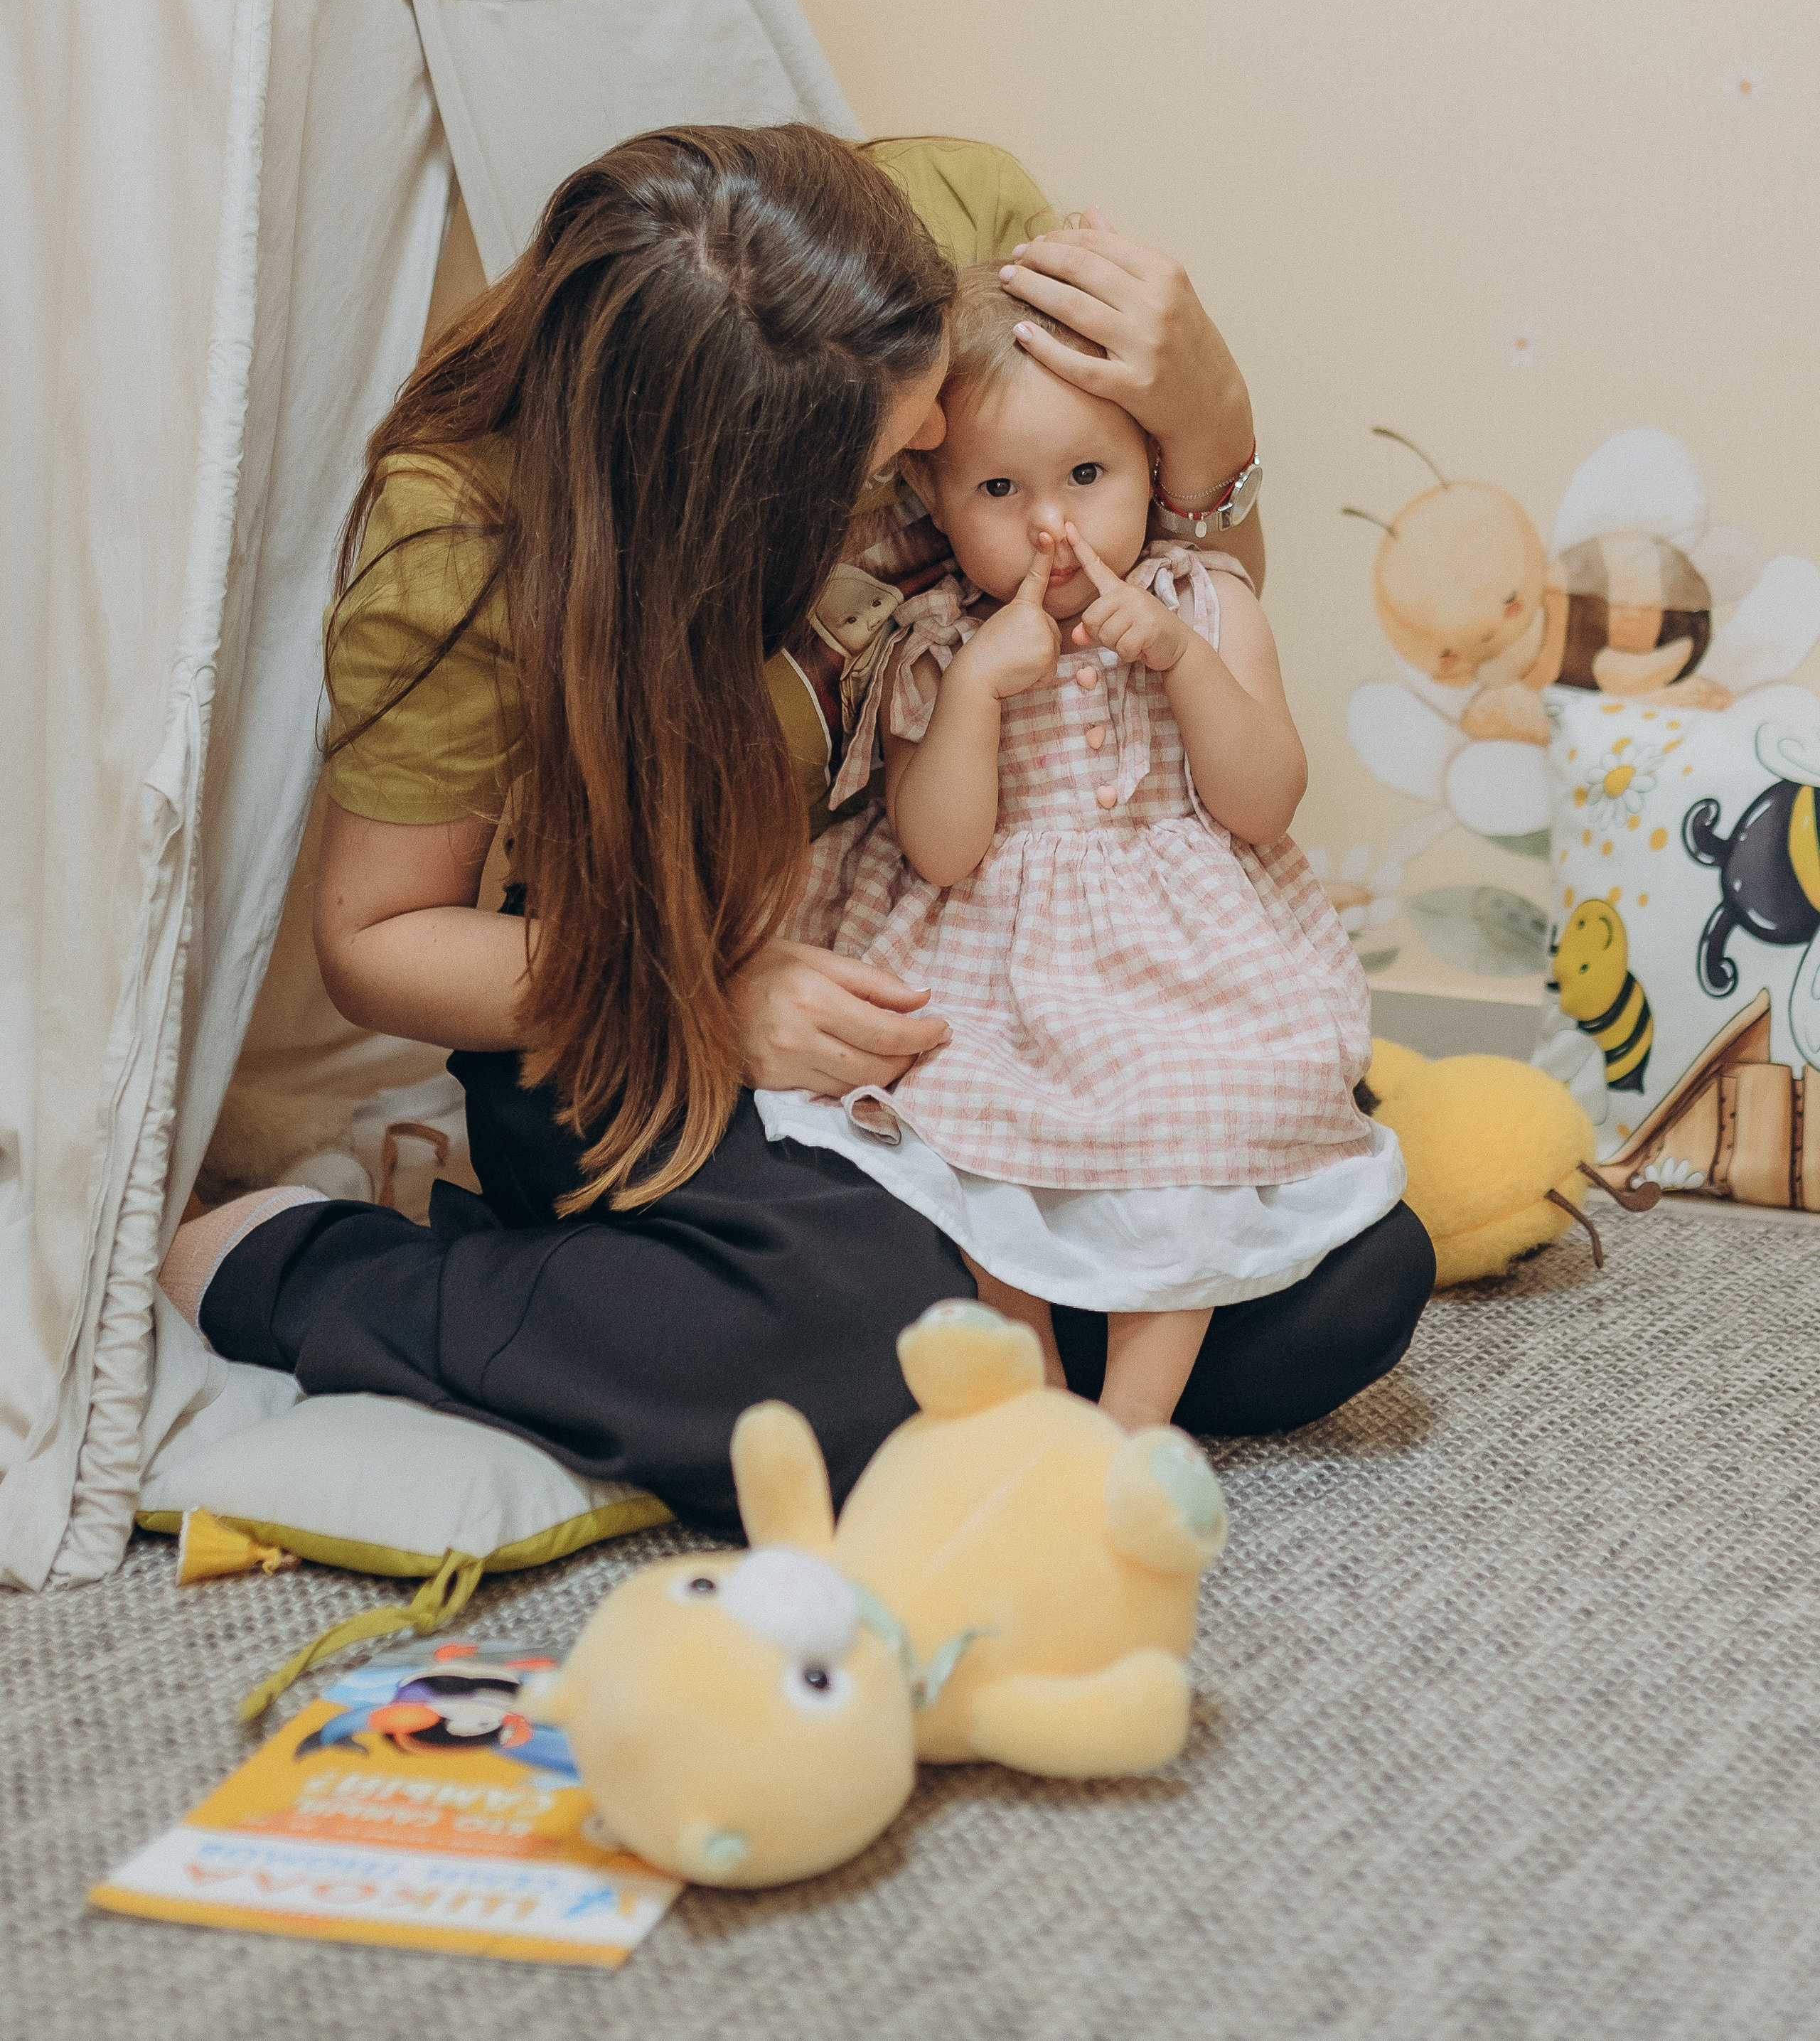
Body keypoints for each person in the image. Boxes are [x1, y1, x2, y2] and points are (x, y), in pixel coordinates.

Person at [159, 128, 1432, 1528]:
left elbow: (1177, 600)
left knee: (1342, 1279)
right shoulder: (462, 544)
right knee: (866, 1356)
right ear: (733, 501)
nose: (946, 443)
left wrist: (1212, 413)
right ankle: (327, 1269)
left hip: (969, 981)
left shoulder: (945, 234)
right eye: (899, 449)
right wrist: (701, 999)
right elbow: (377, 942)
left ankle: (978, 1350)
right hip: (627, 1007)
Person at [759, 267, 1410, 1433]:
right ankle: (1039, 1401)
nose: (1050, 523)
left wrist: (1183, 663)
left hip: (1182, 977)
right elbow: (941, 851)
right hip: (997, 973)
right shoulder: (931, 639)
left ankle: (1136, 1422)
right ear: (934, 495)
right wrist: (974, 695)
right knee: (967, 1137)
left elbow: (1266, 803)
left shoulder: (1206, 601)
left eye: (1088, 477)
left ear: (1153, 469)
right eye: (1000, 489)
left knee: (1207, 1115)